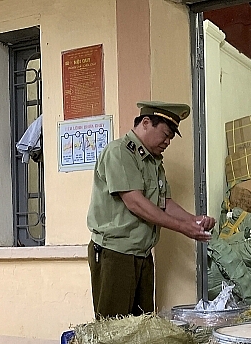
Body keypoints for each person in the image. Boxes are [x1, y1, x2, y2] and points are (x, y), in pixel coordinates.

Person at [87, 101, 215, 319]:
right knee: (114, 331)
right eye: (165, 134)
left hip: (142, 255)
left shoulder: (153, 161)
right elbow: (135, 203)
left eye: (171, 139)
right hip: (116, 254)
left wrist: (194, 221)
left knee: (143, 329)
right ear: (146, 123)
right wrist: (183, 228)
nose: (167, 142)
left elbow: (163, 202)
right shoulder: (120, 153)